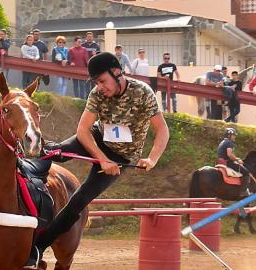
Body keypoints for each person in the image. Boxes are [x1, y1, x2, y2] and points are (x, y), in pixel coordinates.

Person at [25, 52, 169, 268]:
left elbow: (162, 130)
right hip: (96, 138)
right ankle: (23, 173)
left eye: (103, 81)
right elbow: (82, 131)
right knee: (54, 152)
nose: (100, 87)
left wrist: (153, 159)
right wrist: (101, 159)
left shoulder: (143, 93)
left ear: (117, 72)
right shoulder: (97, 94)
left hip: (121, 156)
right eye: (96, 82)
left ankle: (38, 247)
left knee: (79, 200)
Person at [217, 128, 250, 197]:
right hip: (228, 162)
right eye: (234, 135)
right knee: (246, 172)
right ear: (229, 135)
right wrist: (237, 160)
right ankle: (243, 192)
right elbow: (229, 154)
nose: (235, 136)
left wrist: (235, 158)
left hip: (220, 162)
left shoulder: (222, 142)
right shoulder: (229, 142)